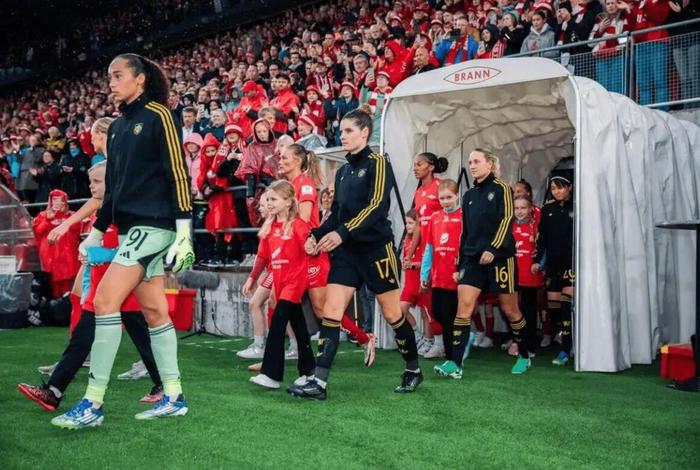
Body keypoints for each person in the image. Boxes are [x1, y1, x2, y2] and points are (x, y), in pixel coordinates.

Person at [52, 53, 194, 429]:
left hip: (156, 226)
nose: (111, 83)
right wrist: (97, 233)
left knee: (104, 301)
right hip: (132, 230)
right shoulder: (116, 128)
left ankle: (92, 402)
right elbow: (112, 191)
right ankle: (174, 396)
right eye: (109, 77)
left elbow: (178, 173)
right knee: (154, 312)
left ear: (140, 79)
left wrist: (184, 233)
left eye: (118, 76)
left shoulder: (159, 115)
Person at [289, 109, 423, 400]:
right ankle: (319, 383)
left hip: (376, 250)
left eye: (349, 130)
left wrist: (342, 233)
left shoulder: (378, 163)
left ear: (365, 133)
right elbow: (337, 214)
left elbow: (376, 207)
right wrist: (316, 235)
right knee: (331, 312)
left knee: (392, 313)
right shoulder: (343, 172)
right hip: (348, 253)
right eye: (341, 131)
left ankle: (413, 369)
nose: (343, 136)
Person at [18, 163, 164, 413]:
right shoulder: (103, 210)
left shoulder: (125, 211)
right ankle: (53, 392)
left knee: (136, 337)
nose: (91, 187)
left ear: (113, 180)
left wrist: (97, 253)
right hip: (102, 288)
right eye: (90, 182)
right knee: (85, 340)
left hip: (120, 288)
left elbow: (135, 251)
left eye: (96, 181)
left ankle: (165, 386)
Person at [434, 149, 538, 379]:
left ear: (489, 164)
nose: (472, 165)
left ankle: (524, 354)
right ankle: (455, 363)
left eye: (477, 161)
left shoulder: (502, 188)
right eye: (470, 162)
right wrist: (460, 264)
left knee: (511, 310)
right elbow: (466, 232)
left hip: (500, 259)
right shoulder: (469, 195)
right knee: (463, 308)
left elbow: (507, 219)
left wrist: (493, 248)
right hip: (473, 260)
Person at [279, 143, 376, 366]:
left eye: (285, 157)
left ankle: (364, 338)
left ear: (298, 160)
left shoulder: (304, 184)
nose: (280, 161)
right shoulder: (289, 185)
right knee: (278, 299)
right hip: (293, 252)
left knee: (322, 309)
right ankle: (282, 351)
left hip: (310, 253)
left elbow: (303, 221)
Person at [242, 180, 315, 389]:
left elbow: (309, 242)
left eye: (273, 199)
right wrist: (252, 278)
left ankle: (271, 375)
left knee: (277, 323)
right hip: (280, 282)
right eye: (267, 200)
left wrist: (311, 245)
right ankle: (309, 371)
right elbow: (262, 257)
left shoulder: (298, 225)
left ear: (288, 202)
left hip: (294, 282)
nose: (269, 204)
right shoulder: (269, 228)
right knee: (299, 326)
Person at [404, 152, 448, 357]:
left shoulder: (440, 187)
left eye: (419, 164)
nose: (415, 168)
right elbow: (419, 227)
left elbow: (450, 214)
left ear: (431, 167)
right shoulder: (419, 192)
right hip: (426, 251)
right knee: (426, 300)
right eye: (414, 164)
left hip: (442, 249)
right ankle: (433, 341)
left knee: (436, 299)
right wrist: (410, 253)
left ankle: (443, 342)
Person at [420, 179, 466, 363]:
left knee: (448, 316)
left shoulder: (464, 216)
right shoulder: (435, 217)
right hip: (438, 274)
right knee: (437, 312)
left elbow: (468, 246)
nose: (446, 201)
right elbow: (429, 248)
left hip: (455, 275)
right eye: (442, 198)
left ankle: (452, 356)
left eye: (449, 197)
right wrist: (425, 274)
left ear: (457, 196)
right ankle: (457, 346)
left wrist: (462, 269)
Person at [532, 173, 575, 366]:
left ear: (570, 187)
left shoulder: (578, 206)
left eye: (561, 187)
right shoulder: (547, 209)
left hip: (571, 263)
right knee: (554, 307)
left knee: (566, 305)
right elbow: (542, 239)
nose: (557, 192)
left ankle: (566, 349)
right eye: (554, 188)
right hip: (553, 264)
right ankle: (565, 335)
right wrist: (537, 261)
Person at [512, 195, 545, 357]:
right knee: (513, 310)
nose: (519, 211)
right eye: (516, 208)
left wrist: (540, 264)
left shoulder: (536, 226)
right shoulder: (509, 225)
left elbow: (544, 248)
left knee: (528, 311)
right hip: (512, 274)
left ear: (531, 208)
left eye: (523, 208)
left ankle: (529, 346)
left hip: (530, 277)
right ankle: (516, 342)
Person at [33, 189, 81, 298]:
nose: (57, 203)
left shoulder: (71, 215)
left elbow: (78, 229)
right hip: (50, 258)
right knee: (53, 288)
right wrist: (47, 219)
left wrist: (64, 217)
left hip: (68, 257)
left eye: (60, 200)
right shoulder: (43, 215)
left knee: (70, 287)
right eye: (54, 199)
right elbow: (38, 231)